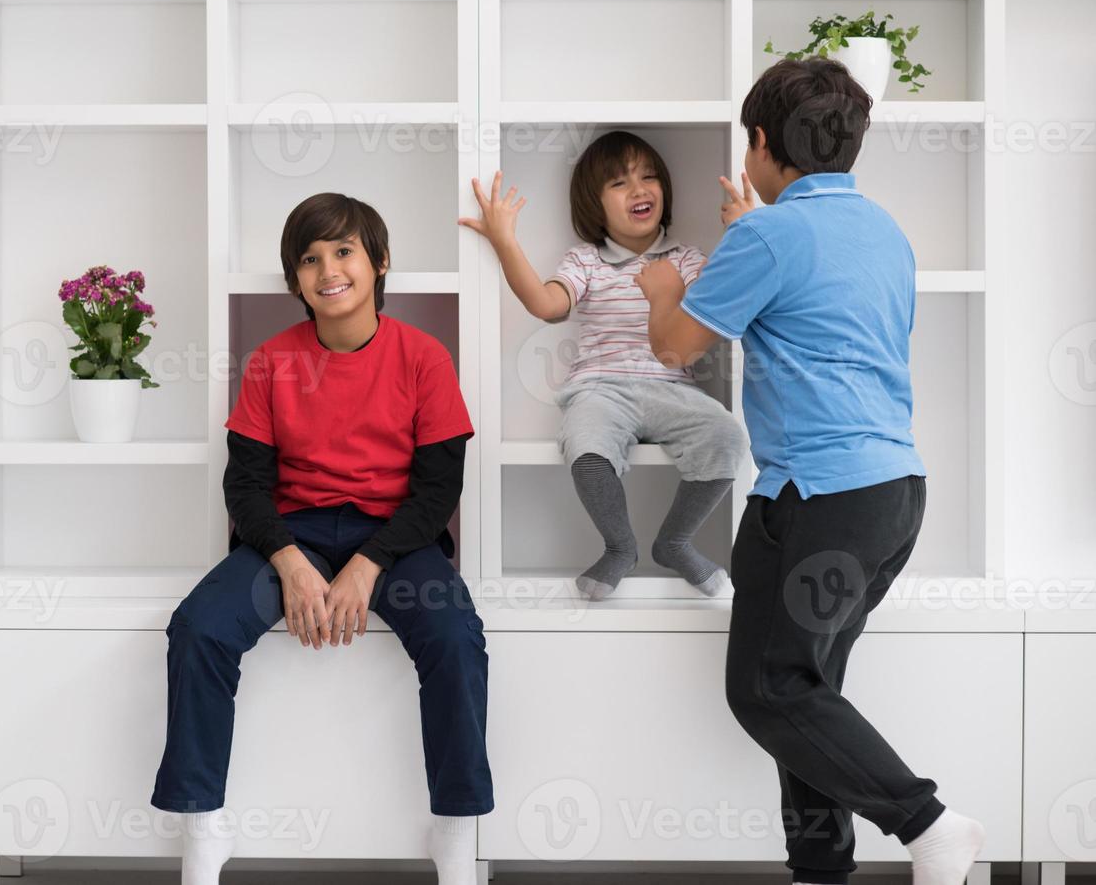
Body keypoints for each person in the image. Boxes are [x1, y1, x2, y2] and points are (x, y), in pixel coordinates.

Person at [635, 56, 985, 885]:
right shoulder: (882, 229)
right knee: (807, 686)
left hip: (821, 498)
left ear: (759, 142)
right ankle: (820, 867)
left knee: (769, 689)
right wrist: (745, 237)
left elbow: (676, 348)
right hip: (890, 496)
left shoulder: (767, 234)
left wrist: (659, 290)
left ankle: (927, 823)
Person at [150, 192, 492, 885]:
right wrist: (291, 564)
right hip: (288, 534)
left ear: (379, 263)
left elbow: (437, 490)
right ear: (294, 278)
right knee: (198, 628)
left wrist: (367, 565)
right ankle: (203, 831)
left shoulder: (422, 358)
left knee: (456, 638)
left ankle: (455, 835)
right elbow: (244, 486)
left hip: (396, 540)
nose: (327, 270)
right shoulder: (271, 362)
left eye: (343, 252)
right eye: (308, 259)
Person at [458, 131, 746, 600]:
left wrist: (741, 233)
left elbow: (719, 306)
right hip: (602, 388)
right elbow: (547, 306)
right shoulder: (586, 262)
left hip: (676, 390)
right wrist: (505, 241)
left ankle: (675, 543)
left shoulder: (686, 258)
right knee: (586, 451)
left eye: (649, 177)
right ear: (594, 204)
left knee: (728, 437)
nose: (639, 189)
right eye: (620, 183)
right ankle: (620, 547)